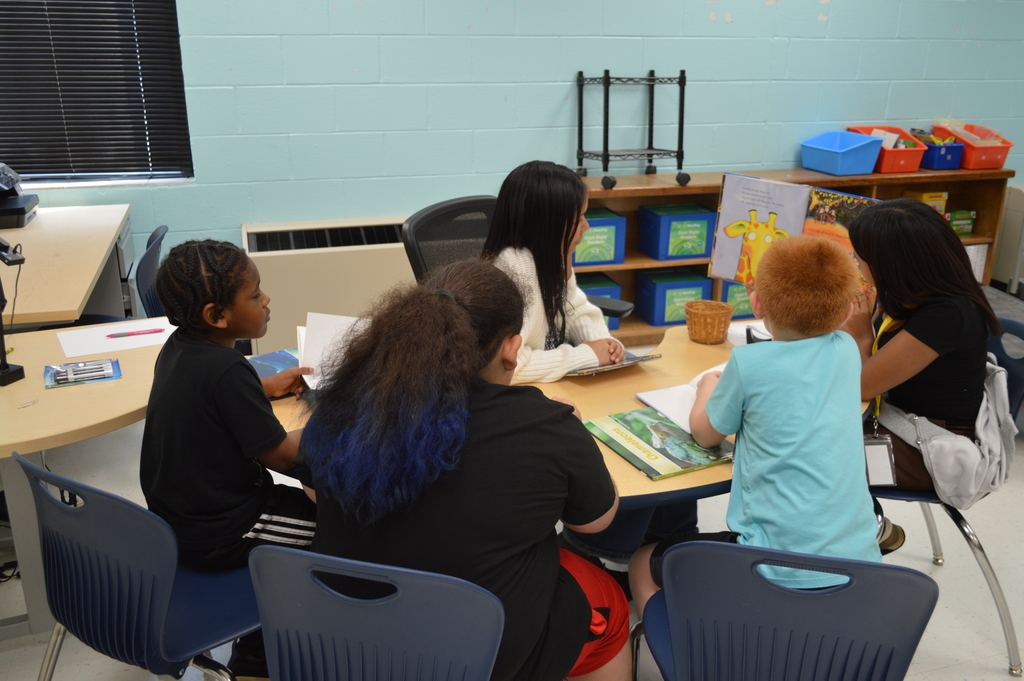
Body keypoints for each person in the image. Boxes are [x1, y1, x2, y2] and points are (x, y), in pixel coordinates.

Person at [299, 260, 631, 681]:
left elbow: (315, 492)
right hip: (483, 653)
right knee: (611, 603)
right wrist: (574, 438)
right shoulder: (545, 424)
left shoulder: (344, 407)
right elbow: (595, 522)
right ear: (512, 349)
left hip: (354, 643)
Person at [628, 236, 882, 616]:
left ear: (756, 301)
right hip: (862, 567)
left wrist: (708, 388)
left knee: (640, 563)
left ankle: (687, 653)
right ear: (846, 308)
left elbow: (706, 433)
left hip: (768, 568)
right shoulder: (846, 350)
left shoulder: (748, 363)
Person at [140, 239, 316, 678]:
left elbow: (208, 399)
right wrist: (333, 420)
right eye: (255, 295)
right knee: (340, 528)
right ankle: (257, 655)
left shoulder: (181, 348)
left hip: (179, 520)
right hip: (226, 530)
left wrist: (263, 387)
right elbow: (281, 456)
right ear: (217, 316)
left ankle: (266, 631)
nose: (266, 300)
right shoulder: (227, 369)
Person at [840, 198, 1003, 551]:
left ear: (891, 266)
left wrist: (861, 335)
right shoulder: (911, 294)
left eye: (861, 259)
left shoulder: (946, 315)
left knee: (807, 457)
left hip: (930, 447)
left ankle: (874, 529)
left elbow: (863, 385)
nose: (858, 266)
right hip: (898, 420)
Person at [482, 160, 625, 384]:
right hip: (520, 396)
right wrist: (586, 355)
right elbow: (509, 366)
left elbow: (573, 309)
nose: (586, 227)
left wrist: (605, 346)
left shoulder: (550, 255)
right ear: (548, 225)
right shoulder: (516, 267)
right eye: (578, 219)